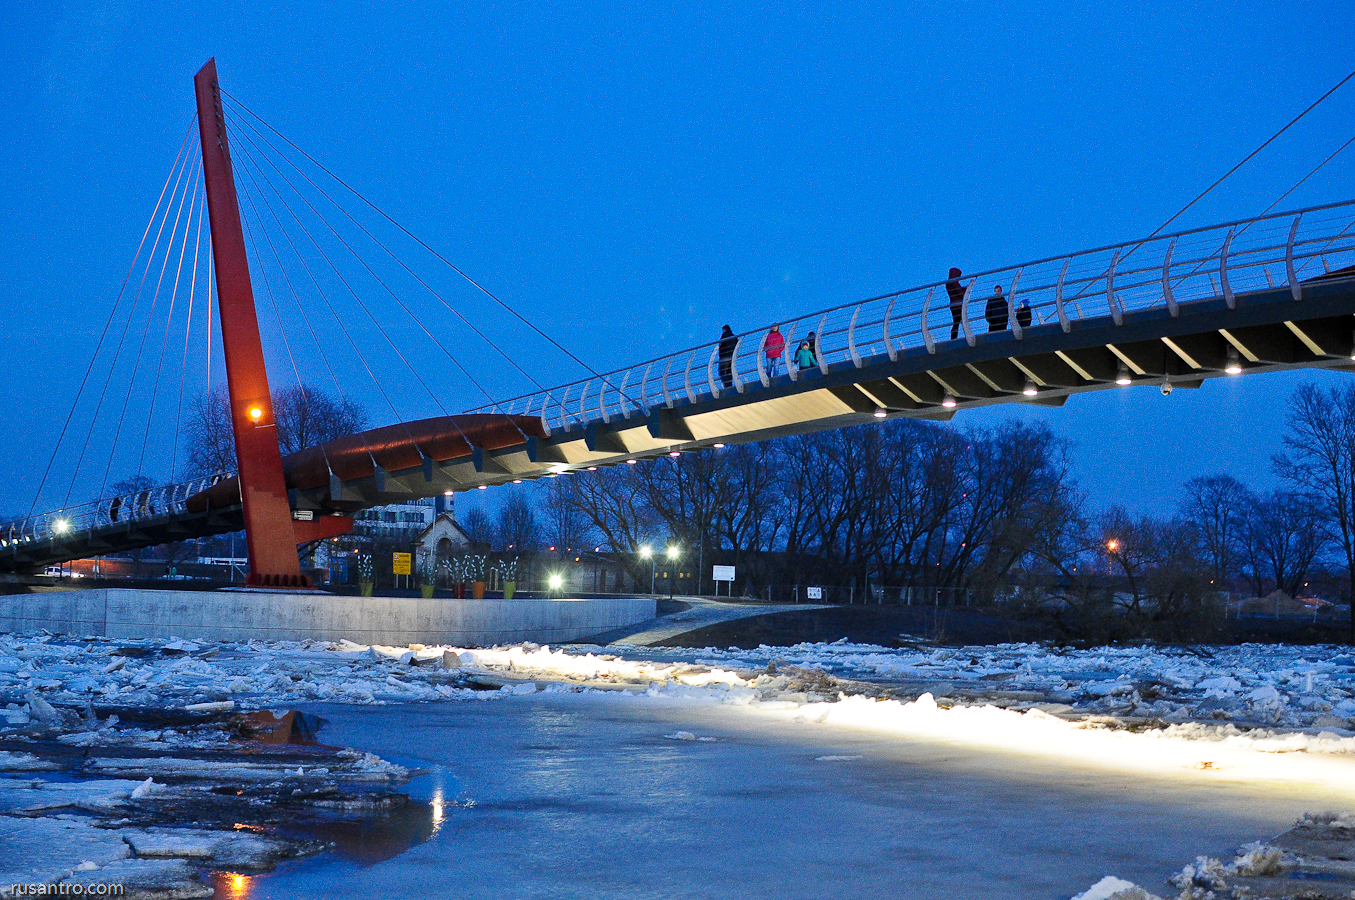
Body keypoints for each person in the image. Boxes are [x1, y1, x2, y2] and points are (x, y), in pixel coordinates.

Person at [946, 267, 965, 340]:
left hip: (952, 304)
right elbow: (960, 293)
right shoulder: (954, 282)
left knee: (956, 322)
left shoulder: (948, 283)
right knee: (959, 321)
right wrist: (965, 289)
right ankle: (955, 337)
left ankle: (953, 337)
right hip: (958, 304)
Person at [717, 325, 736, 390]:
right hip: (732, 356)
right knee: (729, 372)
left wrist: (721, 354)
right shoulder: (734, 337)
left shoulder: (724, 336)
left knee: (721, 372)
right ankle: (730, 385)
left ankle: (727, 386)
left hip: (724, 356)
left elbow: (721, 345)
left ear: (724, 329)